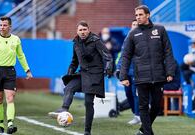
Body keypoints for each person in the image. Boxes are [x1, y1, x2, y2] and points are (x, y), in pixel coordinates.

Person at [48, 21, 113, 135]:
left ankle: (87, 131)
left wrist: (108, 67)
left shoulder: (96, 41)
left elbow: (108, 56)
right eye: (80, 30)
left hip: (94, 75)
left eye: (84, 30)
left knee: (88, 103)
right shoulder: (76, 43)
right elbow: (74, 62)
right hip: (82, 74)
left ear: (88, 30)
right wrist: (70, 73)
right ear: (77, 31)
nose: (82, 32)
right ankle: (64, 109)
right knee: (69, 87)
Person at [119, 5, 176, 135]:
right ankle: (148, 133)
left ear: (148, 15)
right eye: (136, 15)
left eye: (140, 15)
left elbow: (168, 52)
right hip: (141, 77)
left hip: (158, 75)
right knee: (143, 107)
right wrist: (123, 76)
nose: (138, 17)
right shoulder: (132, 33)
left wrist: (170, 72)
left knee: (156, 107)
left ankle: (142, 130)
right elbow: (126, 56)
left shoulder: (160, 30)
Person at [0, 16, 32, 134]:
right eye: (0, 25)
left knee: (10, 98)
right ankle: (0, 125)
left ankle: (10, 124)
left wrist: (27, 70)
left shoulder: (16, 39)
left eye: (4, 25)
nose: (2, 27)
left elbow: (21, 55)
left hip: (10, 72)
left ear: (10, 27)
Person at [115, 19, 140, 125]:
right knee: (128, 93)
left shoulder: (142, 38)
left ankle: (138, 116)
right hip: (126, 72)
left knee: (136, 94)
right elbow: (123, 55)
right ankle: (136, 113)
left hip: (137, 72)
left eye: (136, 24)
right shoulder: (127, 39)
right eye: (133, 24)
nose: (134, 26)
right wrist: (118, 69)